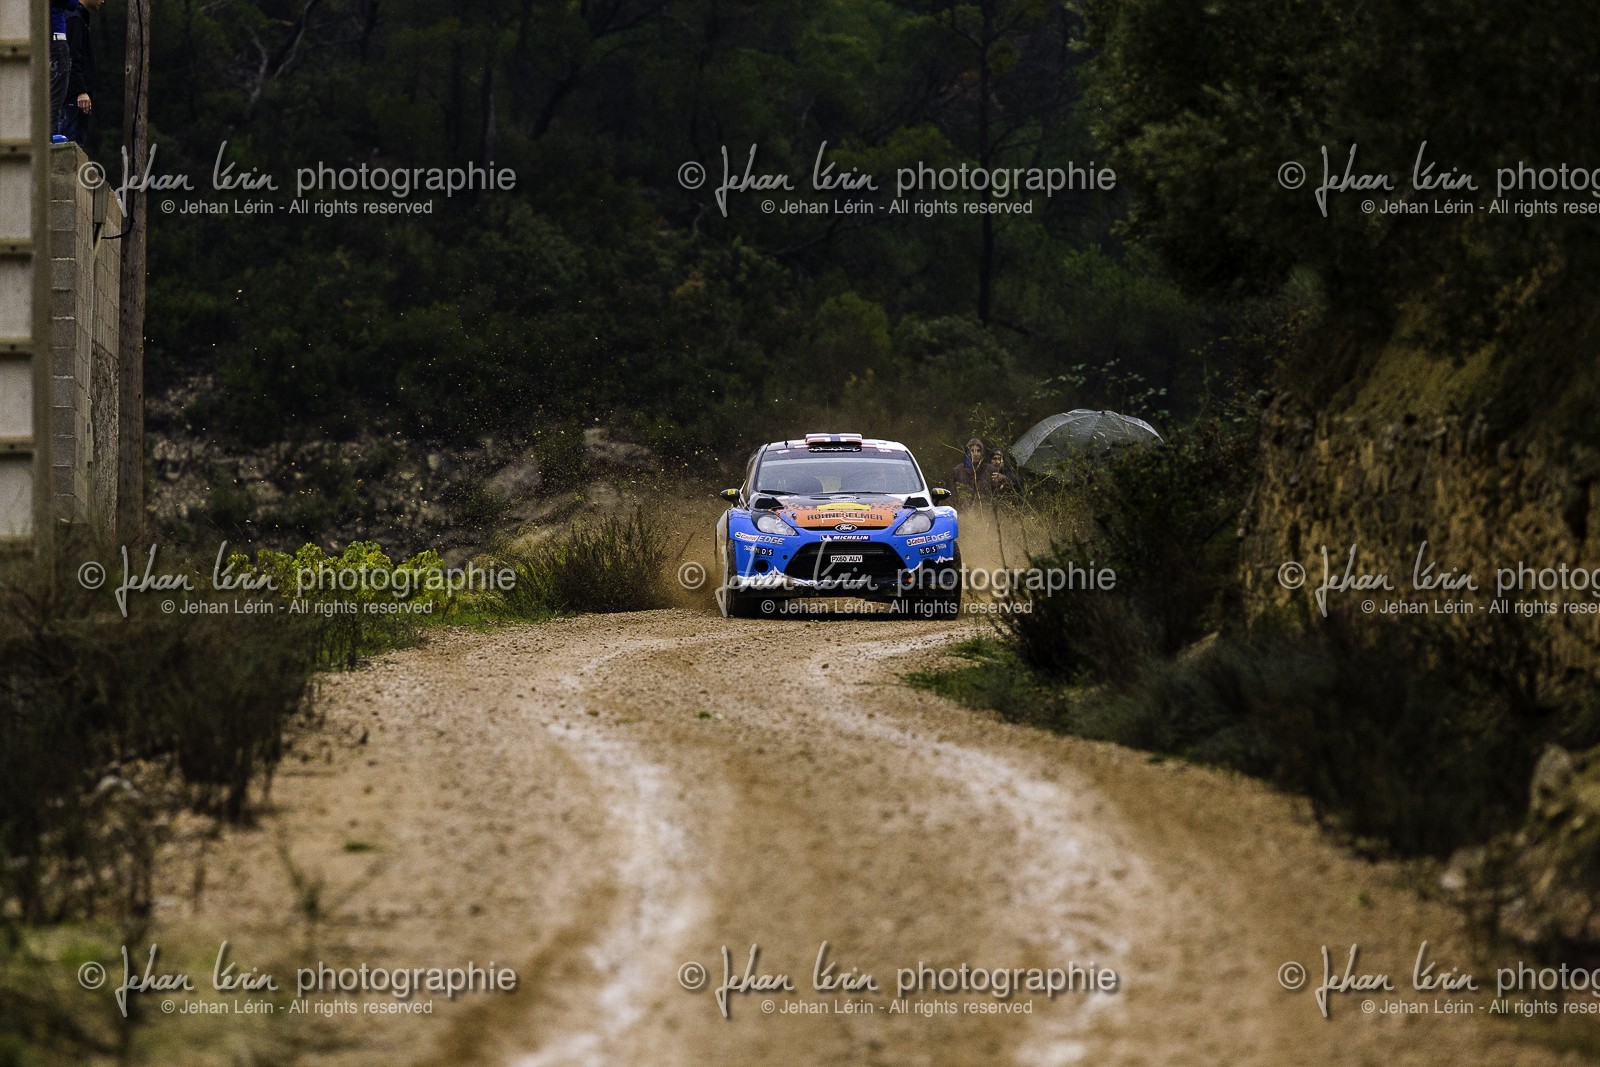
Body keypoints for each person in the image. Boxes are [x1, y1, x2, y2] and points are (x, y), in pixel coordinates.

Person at [57, 0, 104, 147]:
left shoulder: (78, 17)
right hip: (73, 98)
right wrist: (81, 91)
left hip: (73, 96)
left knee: (74, 144)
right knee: (70, 145)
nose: (103, 1)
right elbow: (71, 58)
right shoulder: (74, 18)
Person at [48, 1, 82, 141]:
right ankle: (48, 141)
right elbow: (73, 3)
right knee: (55, 97)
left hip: (39, 41)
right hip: (56, 41)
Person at [951, 437, 986, 502]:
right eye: (972, 451)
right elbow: (953, 495)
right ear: (967, 452)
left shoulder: (988, 470)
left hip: (984, 508)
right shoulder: (958, 470)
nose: (975, 454)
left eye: (978, 451)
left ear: (982, 453)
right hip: (963, 508)